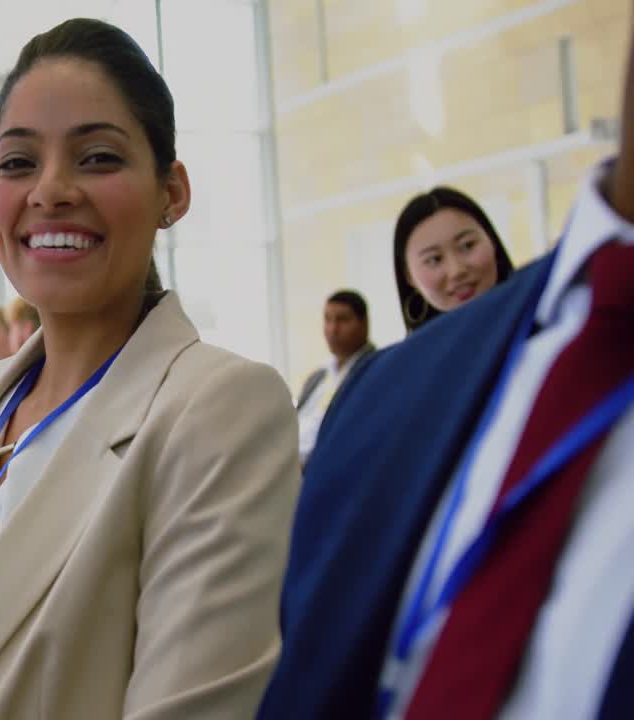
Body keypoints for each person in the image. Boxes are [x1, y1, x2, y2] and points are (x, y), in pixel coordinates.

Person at [0, 18, 299, 719]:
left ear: (172, 191)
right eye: (18, 163)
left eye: (98, 158)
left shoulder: (221, 409)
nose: (50, 190)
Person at [259, 17, 634, 719]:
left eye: (468, 245)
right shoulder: (385, 391)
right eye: (434, 259)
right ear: (409, 282)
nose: (458, 268)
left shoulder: (574, 341)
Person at [394, 186, 514, 333]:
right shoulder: (414, 356)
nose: (457, 271)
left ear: (492, 241)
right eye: (434, 260)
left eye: (467, 245)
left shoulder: (542, 318)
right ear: (409, 276)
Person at [295, 290, 375, 465]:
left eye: (342, 320)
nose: (332, 329)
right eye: (328, 319)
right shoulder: (318, 376)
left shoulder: (375, 371)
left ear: (364, 323)